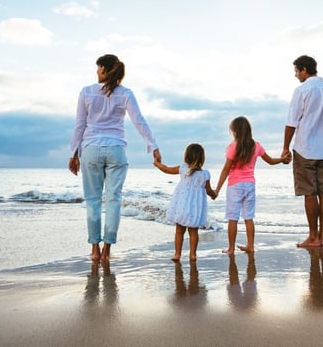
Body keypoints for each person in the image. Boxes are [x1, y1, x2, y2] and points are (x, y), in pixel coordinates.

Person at [69, 54, 161, 262]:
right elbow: (139, 120)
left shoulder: (86, 92)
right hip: (116, 150)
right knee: (113, 201)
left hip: (91, 149)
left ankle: (94, 250)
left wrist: (74, 153)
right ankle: (107, 252)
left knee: (93, 201)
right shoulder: (126, 94)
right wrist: (152, 144)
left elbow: (79, 125)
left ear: (104, 69)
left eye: (98, 68)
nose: (96, 72)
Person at [282, 55, 323, 248]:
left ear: (304, 70)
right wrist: (322, 140)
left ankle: (313, 236)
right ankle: (322, 237)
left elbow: (292, 121)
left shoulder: (302, 90)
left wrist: (285, 148)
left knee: (309, 193)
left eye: (297, 71)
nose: (296, 75)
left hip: (304, 149)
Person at [214, 116, 289, 254]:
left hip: (235, 185)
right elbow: (271, 161)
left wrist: (217, 189)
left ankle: (231, 248)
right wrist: (282, 160)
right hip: (250, 184)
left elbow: (225, 169)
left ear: (235, 131)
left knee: (233, 218)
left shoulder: (233, 147)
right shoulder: (256, 146)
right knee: (249, 217)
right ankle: (250, 246)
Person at [154, 143, 216, 261]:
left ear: (186, 157)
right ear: (202, 159)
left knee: (179, 231)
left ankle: (177, 254)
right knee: (193, 232)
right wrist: (214, 194)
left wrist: (157, 164)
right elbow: (209, 191)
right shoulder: (205, 175)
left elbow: (166, 169)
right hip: (195, 209)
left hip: (182, 206)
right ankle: (193, 254)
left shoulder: (183, 169)